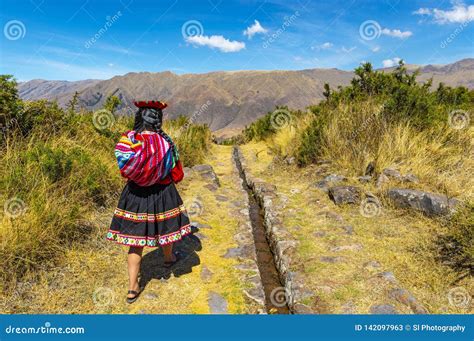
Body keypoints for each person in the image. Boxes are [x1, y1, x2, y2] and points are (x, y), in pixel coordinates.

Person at [106, 100, 191, 303]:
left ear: (139, 117)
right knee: (166, 228)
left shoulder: (129, 139)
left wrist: (142, 175)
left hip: (136, 194)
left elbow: (124, 165)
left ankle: (133, 287)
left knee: (136, 242)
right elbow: (174, 169)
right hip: (163, 192)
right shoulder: (166, 143)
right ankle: (169, 258)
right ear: (158, 121)